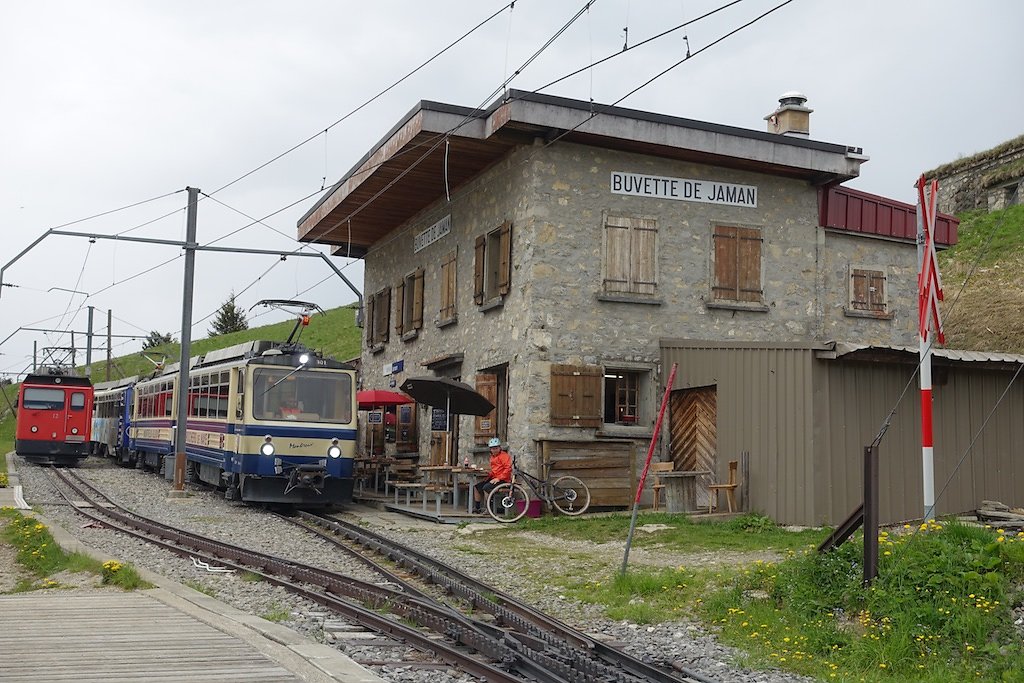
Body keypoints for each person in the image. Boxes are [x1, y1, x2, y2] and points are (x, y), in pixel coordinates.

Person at [473, 437, 512, 514]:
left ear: (499, 448)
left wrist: (499, 478)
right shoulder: (492, 457)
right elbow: (495, 470)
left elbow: (508, 469)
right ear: (490, 449)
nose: (494, 450)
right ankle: (477, 507)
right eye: (492, 448)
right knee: (477, 487)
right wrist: (489, 474)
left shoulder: (504, 456)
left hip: (504, 480)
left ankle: (489, 508)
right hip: (494, 478)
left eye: (496, 448)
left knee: (486, 487)